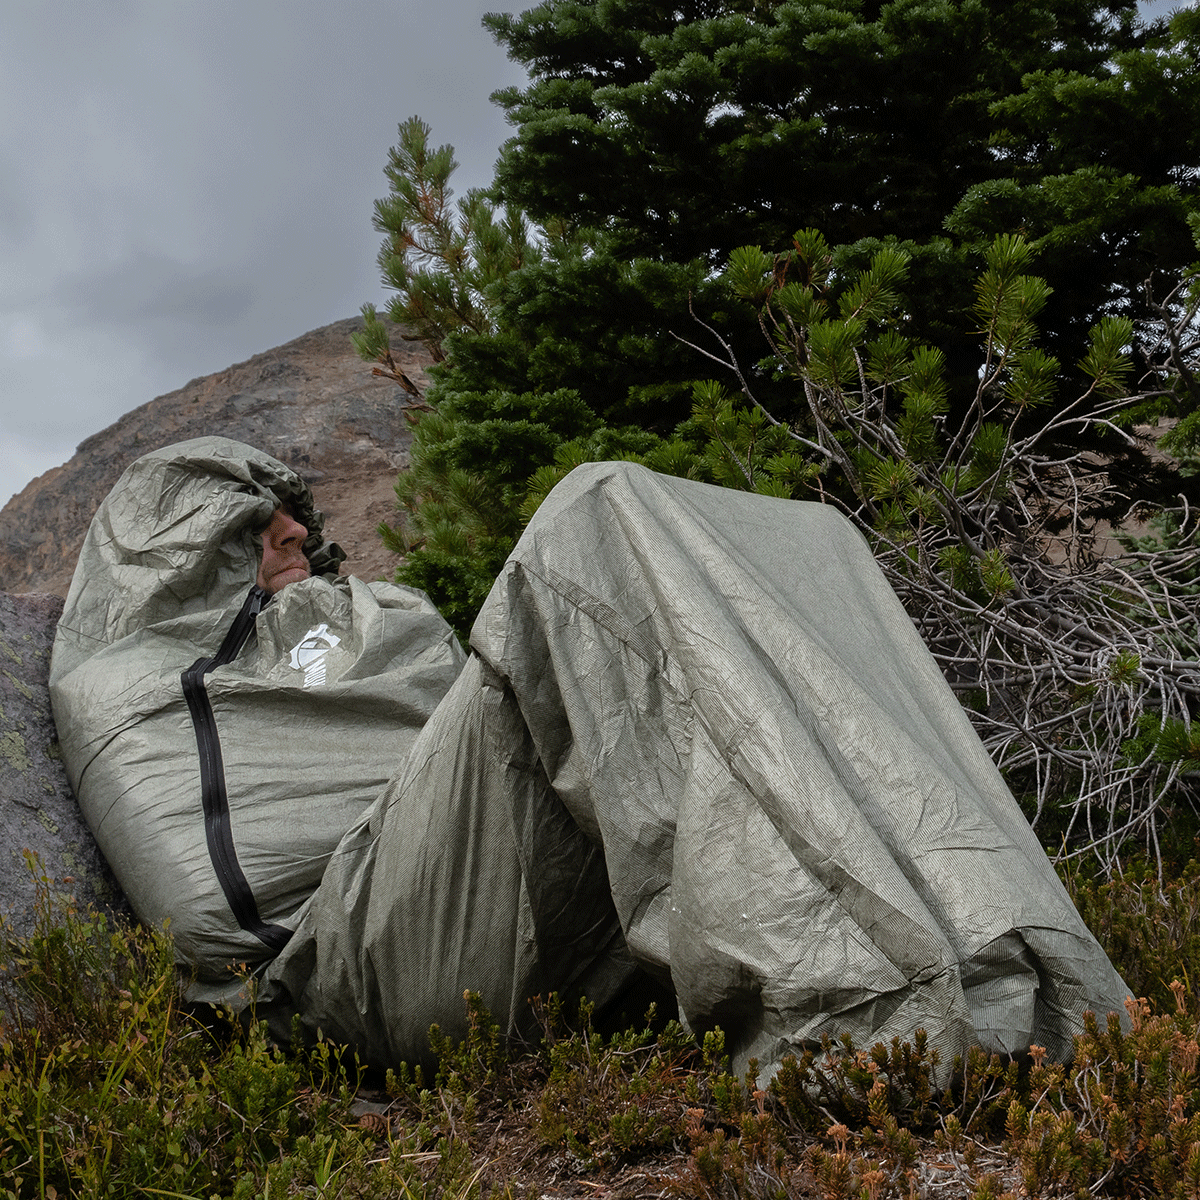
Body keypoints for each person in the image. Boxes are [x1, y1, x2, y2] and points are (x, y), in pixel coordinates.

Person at [50, 436, 1130, 1079]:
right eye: (255, 532)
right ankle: (884, 1029)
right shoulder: (126, 687)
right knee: (595, 513)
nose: (291, 541)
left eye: (294, 525)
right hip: (342, 970)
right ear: (186, 552)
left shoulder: (373, 622)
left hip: (476, 899)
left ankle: (1006, 958)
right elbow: (209, 924)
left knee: (812, 544)